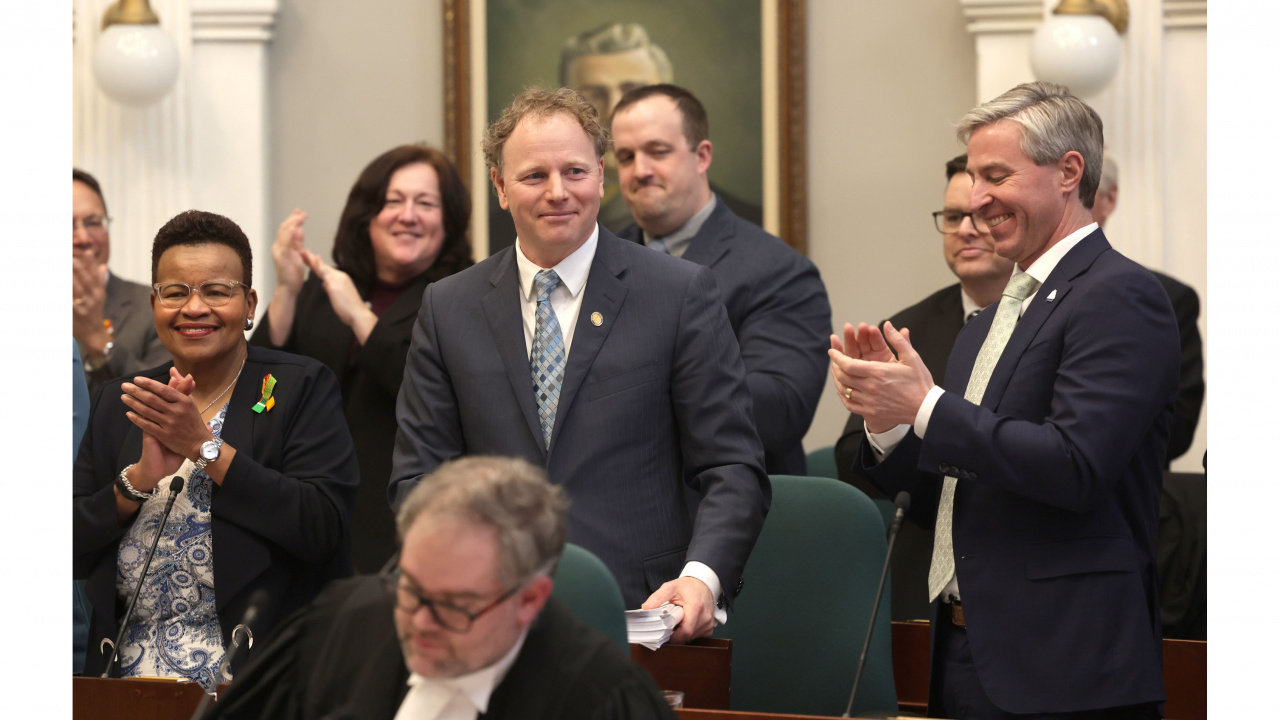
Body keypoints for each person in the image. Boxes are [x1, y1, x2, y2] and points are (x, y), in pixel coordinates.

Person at [829, 82, 1177, 718]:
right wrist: (889, 422)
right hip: (963, 654)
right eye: (970, 177)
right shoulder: (988, 322)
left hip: (1067, 667)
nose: (977, 199)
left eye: (995, 176)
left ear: (1069, 171)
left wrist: (927, 404)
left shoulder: (1119, 296)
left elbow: (1074, 467)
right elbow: (953, 490)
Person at [390, 87, 769, 644]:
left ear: (600, 175)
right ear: (499, 186)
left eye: (574, 171)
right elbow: (418, 479)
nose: (558, 193)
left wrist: (701, 579)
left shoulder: (678, 293)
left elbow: (732, 467)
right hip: (490, 619)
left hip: (643, 618)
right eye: (533, 176)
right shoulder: (449, 308)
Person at [73, 210, 360, 691]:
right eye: (176, 292)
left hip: (256, 685)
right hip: (125, 687)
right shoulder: (119, 401)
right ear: (154, 303)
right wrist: (137, 481)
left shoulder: (299, 387)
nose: (194, 308)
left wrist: (204, 448)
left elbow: (322, 527)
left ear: (249, 303)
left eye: (217, 291)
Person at [207, 456, 680, 720]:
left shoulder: (601, 702)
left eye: (454, 606)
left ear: (529, 600)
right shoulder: (338, 625)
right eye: (410, 590)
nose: (419, 623)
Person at [251, 145, 474, 572]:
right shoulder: (323, 290)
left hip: (400, 528)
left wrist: (359, 316)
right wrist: (288, 291)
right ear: (366, 215)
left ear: (447, 221)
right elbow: (263, 395)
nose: (407, 215)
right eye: (392, 201)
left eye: (425, 203)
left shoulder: (463, 298)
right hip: (307, 522)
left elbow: (431, 394)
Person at [611, 84, 831, 475]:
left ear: (702, 156)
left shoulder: (778, 270)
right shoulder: (600, 261)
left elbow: (781, 409)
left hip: (730, 507)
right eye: (626, 157)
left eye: (658, 151)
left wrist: (634, 389)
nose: (640, 170)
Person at [833, 153, 1014, 621]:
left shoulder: (1050, 321)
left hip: (1021, 568)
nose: (966, 229)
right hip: (923, 579)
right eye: (954, 217)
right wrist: (887, 424)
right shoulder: (902, 330)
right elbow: (852, 460)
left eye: (980, 216)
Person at [488, 22, 760, 250]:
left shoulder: (754, 231)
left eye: (633, 89)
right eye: (595, 93)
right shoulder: (515, 226)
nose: (615, 106)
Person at [1091, 151, 1205, 465]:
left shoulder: (1168, 298)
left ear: (1109, 199)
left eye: (1082, 193)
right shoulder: (1011, 296)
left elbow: (1177, 430)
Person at [73, 168, 171, 393]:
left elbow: (164, 398)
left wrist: (97, 338)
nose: (83, 238)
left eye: (93, 222)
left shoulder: (153, 306)